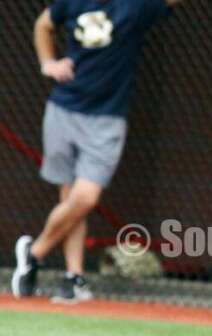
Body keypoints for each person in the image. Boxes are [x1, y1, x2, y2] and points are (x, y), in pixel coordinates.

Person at [12, 0, 182, 303]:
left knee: (85, 198)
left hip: (108, 118)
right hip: (64, 109)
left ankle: (34, 252)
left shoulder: (137, 6)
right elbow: (43, 24)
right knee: (70, 200)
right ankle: (74, 278)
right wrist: (48, 63)